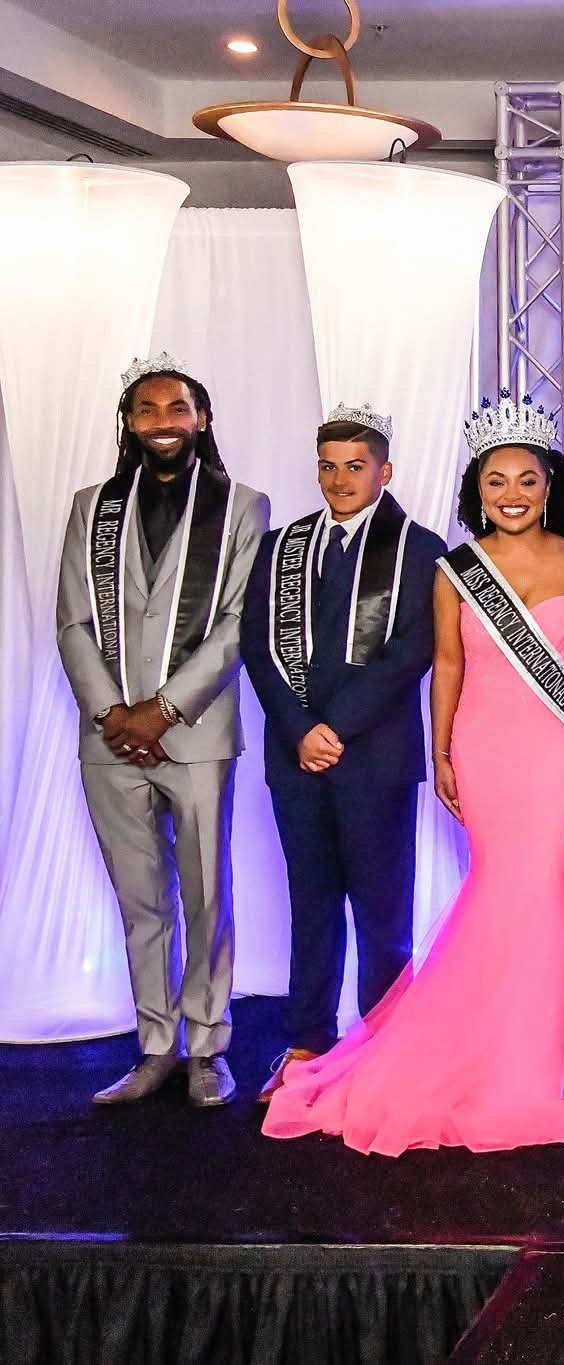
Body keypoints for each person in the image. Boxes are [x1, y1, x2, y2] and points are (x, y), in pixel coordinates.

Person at [264, 393, 564, 1154]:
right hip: (484, 745)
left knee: (547, 884)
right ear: (476, 489)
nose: (511, 494)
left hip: (557, 748)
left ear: (550, 485)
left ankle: (550, 1055)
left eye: (527, 480)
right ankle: (486, 1051)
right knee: (501, 881)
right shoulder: (457, 569)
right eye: (495, 481)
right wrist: (443, 751)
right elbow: (444, 665)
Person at [57, 353, 270, 1108]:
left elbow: (241, 623)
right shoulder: (93, 508)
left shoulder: (243, 506)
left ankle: (208, 1046)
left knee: (207, 894)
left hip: (198, 733)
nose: (163, 423)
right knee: (140, 897)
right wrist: (113, 715)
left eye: (177, 409)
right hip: (110, 740)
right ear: (130, 424)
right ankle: (155, 1045)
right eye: (147, 411)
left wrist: (163, 708)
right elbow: (74, 620)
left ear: (201, 418)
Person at [240, 404, 445, 1103]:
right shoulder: (281, 547)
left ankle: (388, 1045)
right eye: (327, 466)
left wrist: (338, 726)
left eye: (354, 466)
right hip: (297, 756)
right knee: (311, 903)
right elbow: (257, 648)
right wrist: (301, 728)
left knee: (384, 910)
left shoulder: (421, 550)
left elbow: (412, 650)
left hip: (376, 758)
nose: (339, 479)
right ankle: (306, 1042)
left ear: (384, 470)